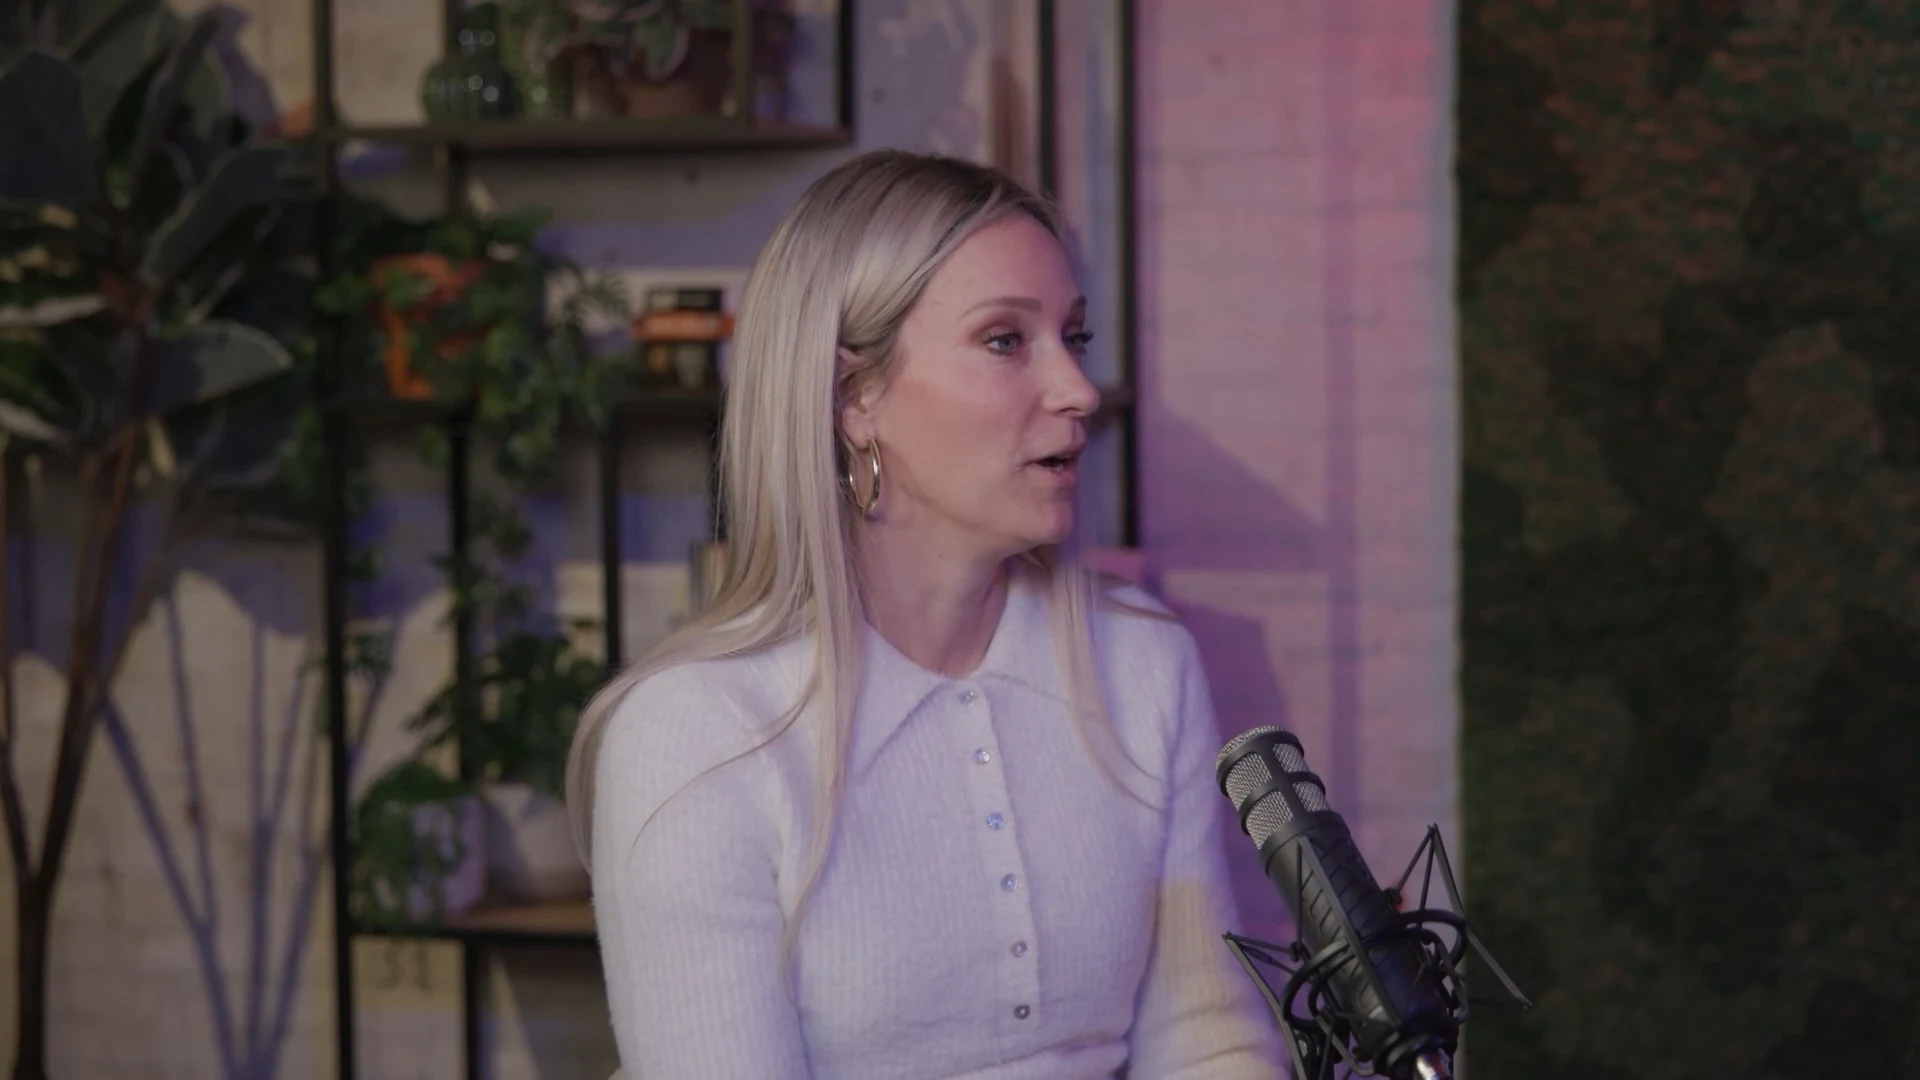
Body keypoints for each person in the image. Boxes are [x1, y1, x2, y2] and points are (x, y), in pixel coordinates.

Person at [565, 149, 1286, 1078]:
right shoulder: (695, 734)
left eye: (1073, 337)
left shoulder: (1143, 662)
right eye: (1005, 340)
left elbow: (1208, 1038)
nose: (1077, 390)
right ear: (853, 397)